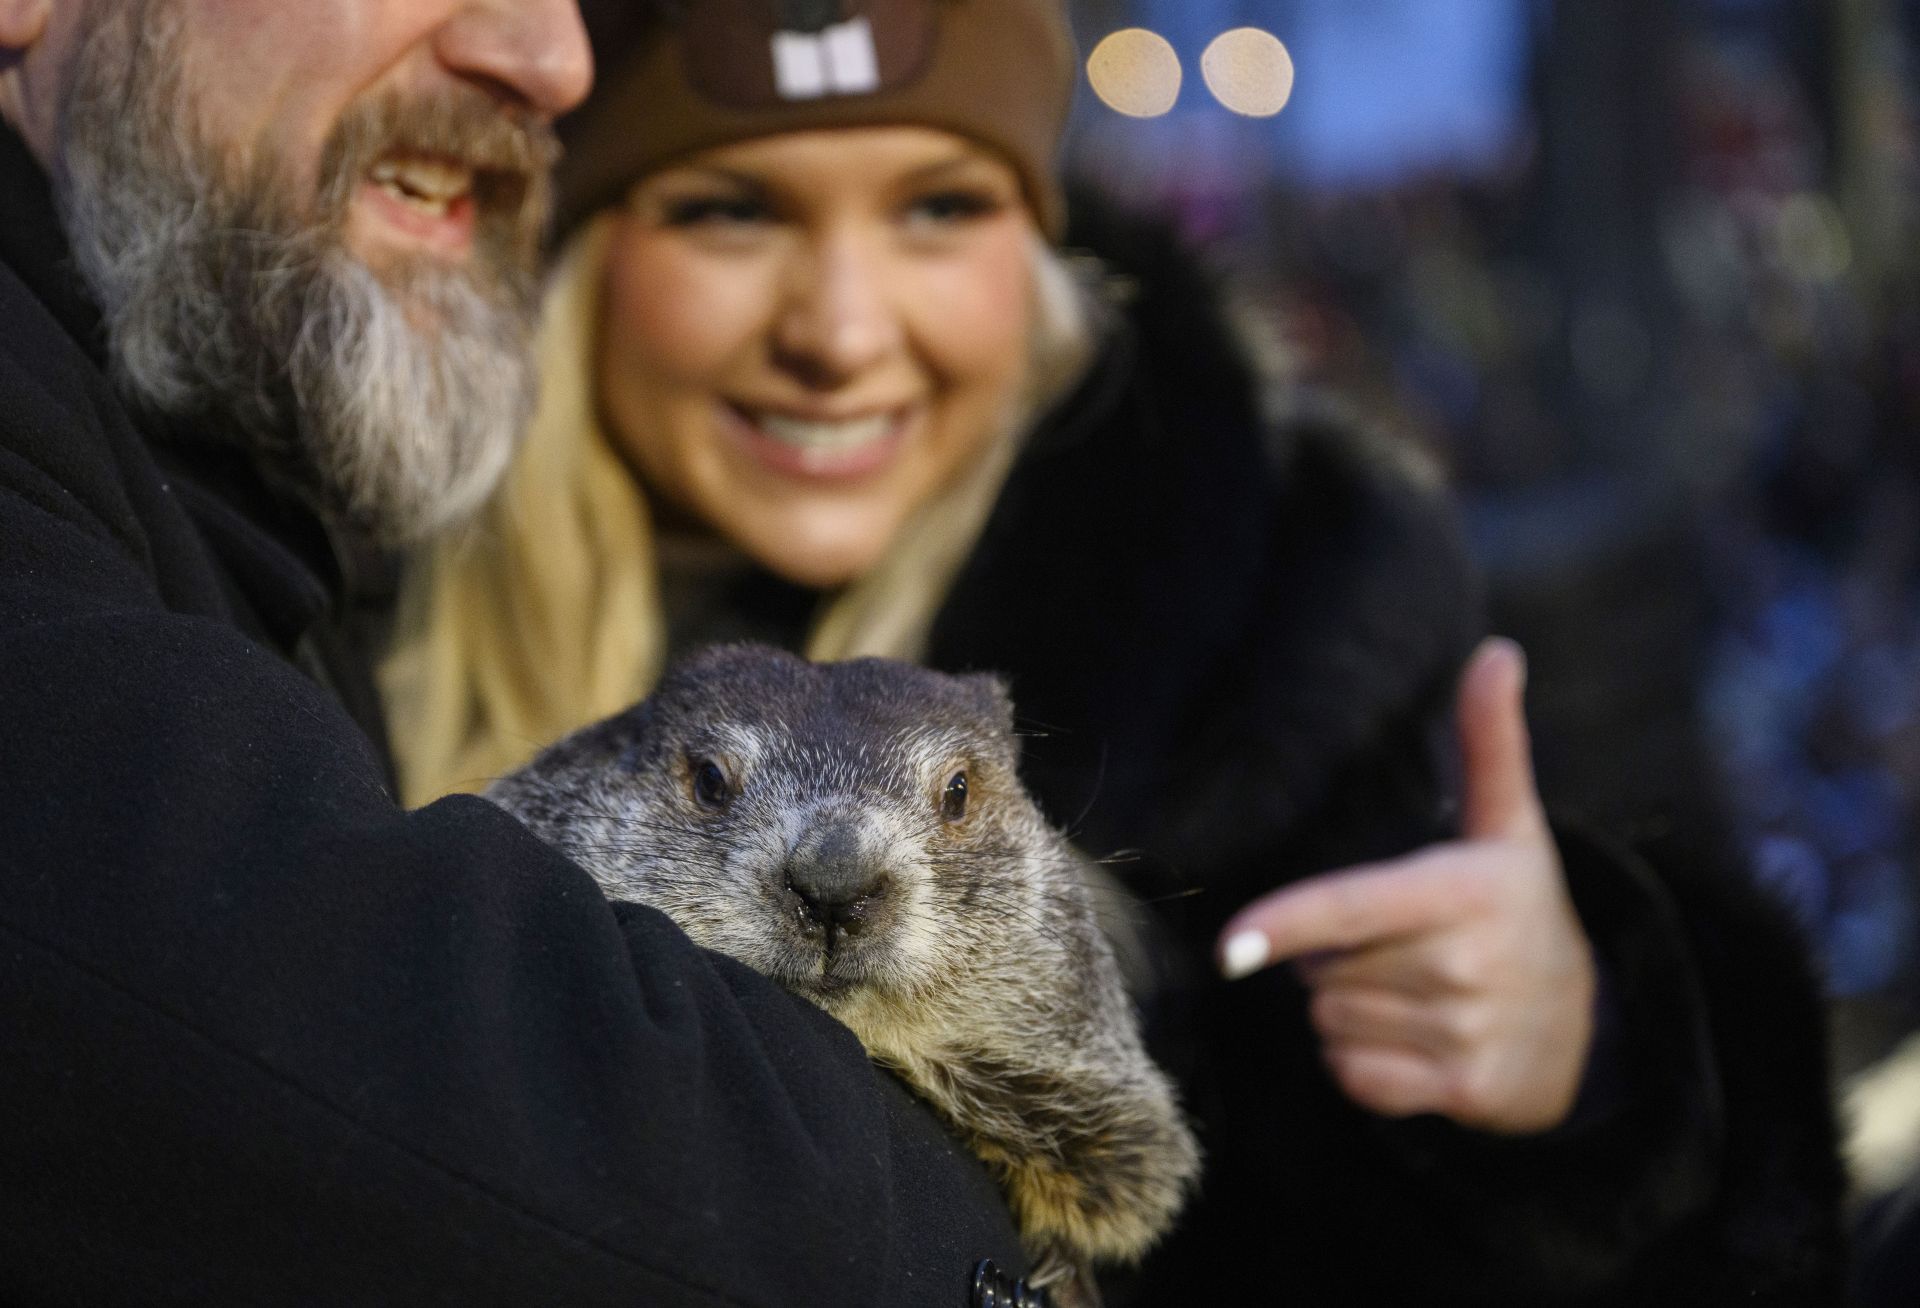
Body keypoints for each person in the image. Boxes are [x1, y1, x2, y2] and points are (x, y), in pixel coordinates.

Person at [379, 0, 1850, 1301]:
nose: (838, 326)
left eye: (939, 207)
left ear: (1037, 258)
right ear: (582, 252)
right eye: (731, 210)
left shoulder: (1302, 618)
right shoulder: (341, 588)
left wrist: (1589, 1071)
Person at [0, 1, 1049, 1303]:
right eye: (729, 208)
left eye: (943, 208)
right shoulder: (320, 549)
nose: (552, 58)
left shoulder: (255, 486)